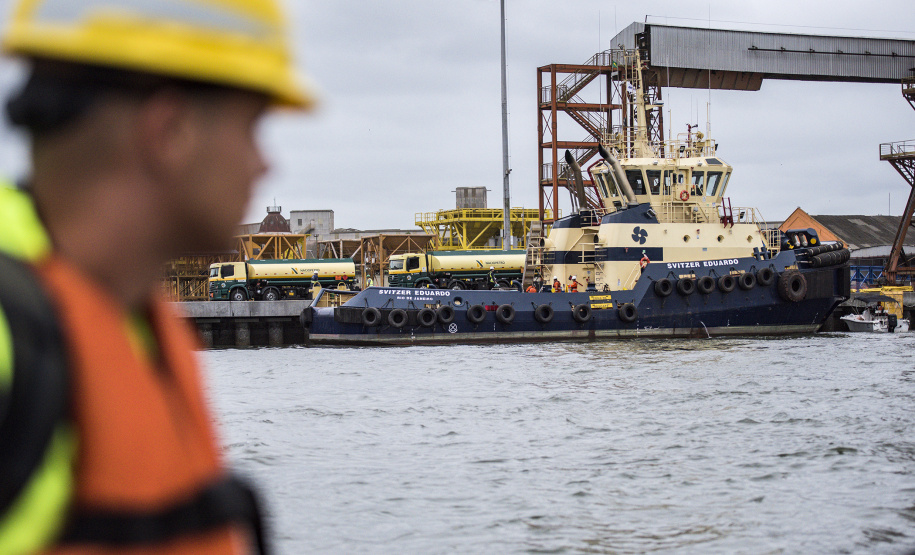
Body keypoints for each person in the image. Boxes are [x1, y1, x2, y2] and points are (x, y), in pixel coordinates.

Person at [0, 0, 314, 552]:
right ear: (171, 132)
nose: (264, 164)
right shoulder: (13, 335)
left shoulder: (124, 313)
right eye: (251, 127)